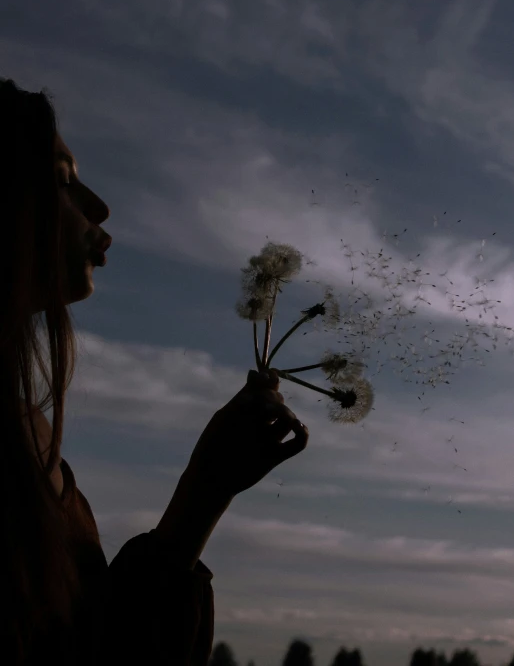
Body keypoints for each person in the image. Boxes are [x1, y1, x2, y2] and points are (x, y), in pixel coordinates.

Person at [0, 78, 309, 665]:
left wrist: (205, 491)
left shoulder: (28, 433)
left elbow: (92, 644)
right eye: (64, 180)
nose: (99, 206)